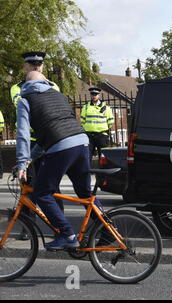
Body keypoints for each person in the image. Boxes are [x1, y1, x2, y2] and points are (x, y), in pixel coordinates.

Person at [16, 71, 104, 250]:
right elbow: (47, 134)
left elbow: (23, 135)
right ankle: (110, 232)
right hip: (82, 142)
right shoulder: (58, 96)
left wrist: (21, 162)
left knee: (42, 192)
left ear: (26, 85)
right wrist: (29, 159)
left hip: (62, 147)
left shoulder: (25, 101)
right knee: (84, 192)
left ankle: (67, 235)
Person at [10, 52, 62, 240]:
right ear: (25, 67)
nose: (36, 67)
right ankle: (27, 229)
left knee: (53, 185)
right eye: (32, 64)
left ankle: (59, 228)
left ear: (42, 66)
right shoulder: (17, 88)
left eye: (38, 64)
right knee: (28, 186)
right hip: (30, 142)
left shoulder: (54, 86)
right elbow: (26, 108)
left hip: (47, 142)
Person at [80, 87, 114, 162]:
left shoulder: (106, 107)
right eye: (92, 94)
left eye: (95, 94)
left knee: (103, 158)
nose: (94, 96)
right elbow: (82, 121)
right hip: (89, 136)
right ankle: (87, 173)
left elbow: (110, 122)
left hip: (102, 135)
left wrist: (102, 130)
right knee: (86, 158)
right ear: (90, 95)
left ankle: (103, 173)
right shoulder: (85, 107)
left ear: (99, 95)